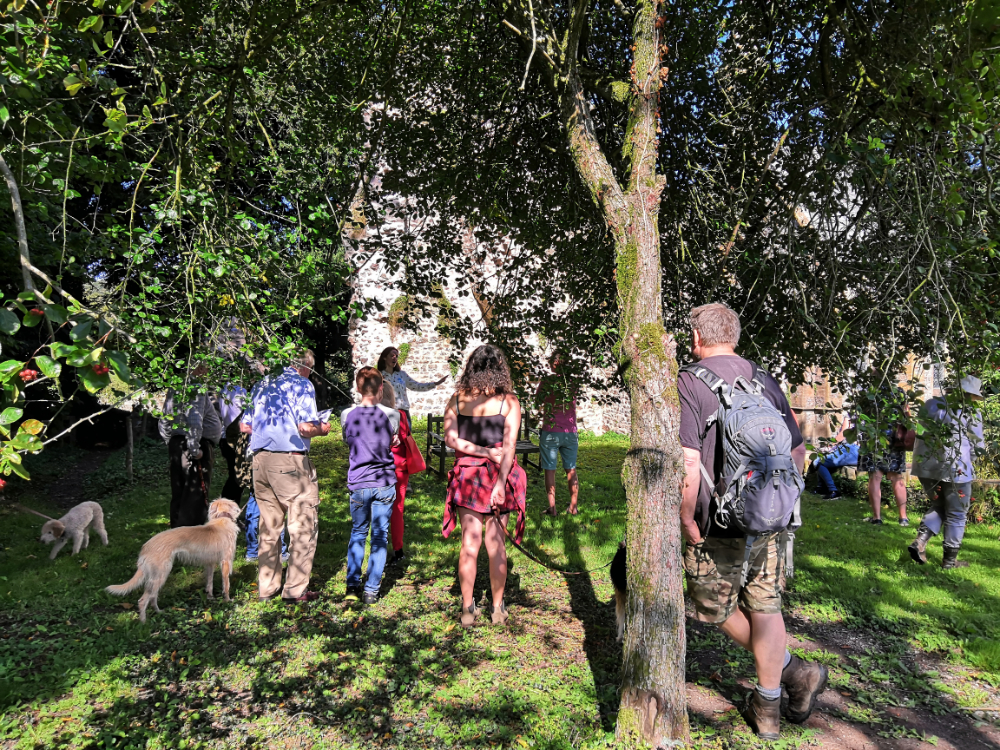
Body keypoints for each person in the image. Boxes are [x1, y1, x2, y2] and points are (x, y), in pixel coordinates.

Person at [678, 303, 827, 740]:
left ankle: (793, 671)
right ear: (736, 337)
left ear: (696, 339)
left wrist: (687, 517)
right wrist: (780, 500)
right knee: (765, 605)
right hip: (772, 519)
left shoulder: (690, 381)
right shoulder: (764, 379)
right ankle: (770, 706)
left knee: (714, 609)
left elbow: (689, 460)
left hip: (716, 523)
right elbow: (798, 451)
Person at [442, 344, 527, 628]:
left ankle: (467, 609)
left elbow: (451, 440)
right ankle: (497, 608)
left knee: (469, 544)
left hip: (467, 476)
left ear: (471, 368)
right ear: (500, 369)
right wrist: (500, 482)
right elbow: (510, 446)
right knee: (496, 544)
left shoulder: (456, 399)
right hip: (496, 476)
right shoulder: (510, 402)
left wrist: (478, 452)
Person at [240, 349, 330, 603]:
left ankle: (267, 588)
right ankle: (295, 590)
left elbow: (246, 425)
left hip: (260, 460)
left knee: (268, 526)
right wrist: (322, 428)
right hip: (290, 460)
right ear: (305, 368)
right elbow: (305, 427)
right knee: (302, 526)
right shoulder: (302, 384)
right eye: (310, 370)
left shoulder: (262, 383)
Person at [908, 376, 985, 569]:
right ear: (971, 394)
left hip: (925, 465)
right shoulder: (970, 411)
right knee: (957, 512)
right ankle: (949, 562)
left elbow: (920, 431)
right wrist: (970, 459)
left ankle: (920, 541)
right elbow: (979, 445)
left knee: (939, 505)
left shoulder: (930, 404)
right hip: (956, 468)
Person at [340, 367, 400, 604]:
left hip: (359, 482)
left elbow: (349, 441)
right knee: (379, 536)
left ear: (357, 388)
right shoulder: (392, 415)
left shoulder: (347, 414)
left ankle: (352, 586)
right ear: (381, 388)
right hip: (384, 482)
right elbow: (391, 440)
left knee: (358, 533)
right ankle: (372, 590)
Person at [158, 362, 224, 528]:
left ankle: (177, 533)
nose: (207, 371)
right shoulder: (195, 387)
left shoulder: (176, 386)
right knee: (195, 494)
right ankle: (191, 539)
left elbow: (165, 418)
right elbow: (194, 419)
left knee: (179, 490)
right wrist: (195, 449)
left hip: (179, 443)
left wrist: (171, 442)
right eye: (206, 367)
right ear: (199, 367)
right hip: (194, 445)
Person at [377, 348, 415, 564]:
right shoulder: (398, 417)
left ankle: (379, 551)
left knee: (380, 508)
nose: (395, 357)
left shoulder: (370, 416)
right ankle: (398, 550)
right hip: (399, 467)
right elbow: (405, 442)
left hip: (379, 469)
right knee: (397, 507)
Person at [857, 380, 910, 526]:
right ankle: (903, 518)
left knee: (875, 477)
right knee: (897, 478)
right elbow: (906, 414)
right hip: (895, 440)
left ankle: (877, 518)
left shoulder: (869, 394)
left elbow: (862, 414)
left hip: (874, 439)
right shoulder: (899, 393)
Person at [536, 352, 580, 516]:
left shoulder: (547, 381)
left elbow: (537, 401)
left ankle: (552, 508)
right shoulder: (573, 383)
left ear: (554, 364)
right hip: (570, 432)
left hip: (550, 431)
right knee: (571, 470)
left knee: (550, 470)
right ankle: (573, 507)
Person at [378, 346, 448, 424]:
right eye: (392, 356)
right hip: (388, 413)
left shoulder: (402, 374)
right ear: (384, 357)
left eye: (396, 356)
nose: (395, 358)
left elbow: (416, 386)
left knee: (407, 436)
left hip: (404, 413)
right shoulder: (378, 376)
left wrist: (435, 383)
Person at [810, 416, 859, 499]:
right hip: (856, 451)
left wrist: (830, 445)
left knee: (819, 461)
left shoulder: (850, 412)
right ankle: (821, 487)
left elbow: (844, 433)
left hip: (849, 449)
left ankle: (833, 491)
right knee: (821, 458)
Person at [217, 384, 248, 503]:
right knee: (238, 478)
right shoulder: (240, 391)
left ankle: (226, 510)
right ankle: (226, 510)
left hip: (225, 438)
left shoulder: (224, 390)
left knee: (235, 476)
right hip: (235, 439)